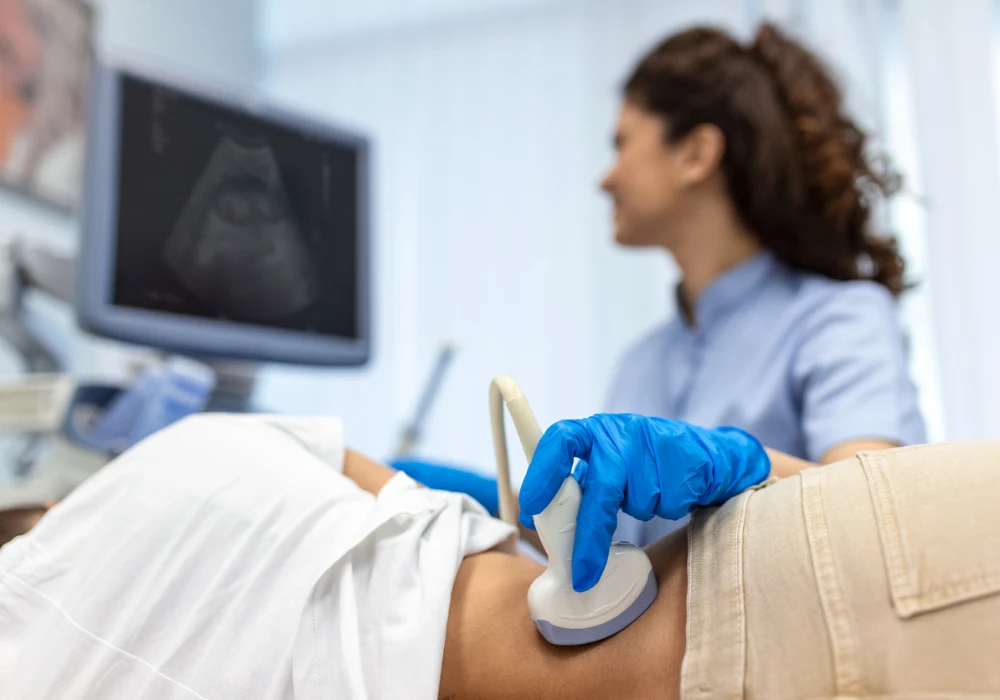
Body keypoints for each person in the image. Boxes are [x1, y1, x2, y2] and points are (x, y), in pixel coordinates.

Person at [2, 413, 999, 699]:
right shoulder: (195, 445)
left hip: (804, 621)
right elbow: (492, 530)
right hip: (805, 562)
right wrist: (749, 465)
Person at [392, 22, 926, 539]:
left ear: (695, 154)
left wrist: (741, 468)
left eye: (621, 144)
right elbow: (624, 559)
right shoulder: (641, 364)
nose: (606, 178)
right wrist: (501, 505)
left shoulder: (839, 320)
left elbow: (876, 516)